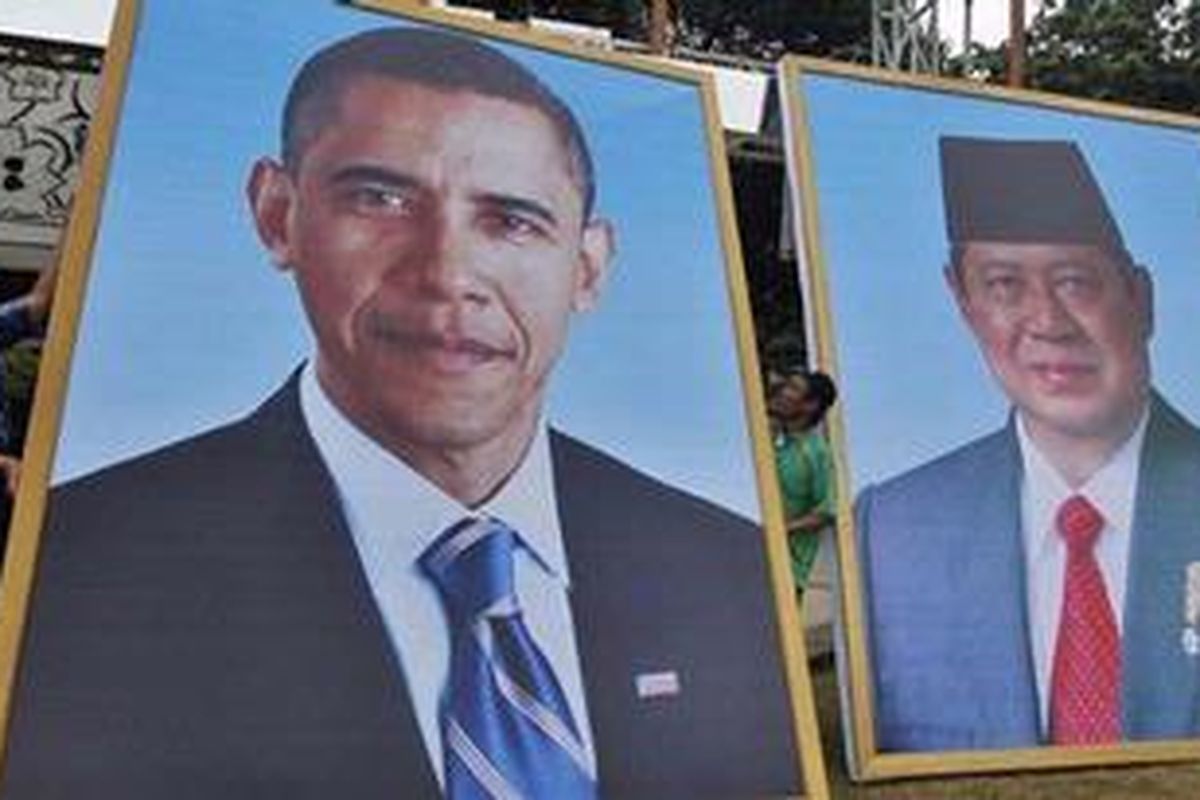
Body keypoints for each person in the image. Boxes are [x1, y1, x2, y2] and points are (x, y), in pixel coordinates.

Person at [1, 27, 800, 799]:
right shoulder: (84, 563)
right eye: (380, 198)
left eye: (512, 220)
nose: (449, 273)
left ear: (587, 268)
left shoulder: (721, 566)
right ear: (277, 214)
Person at [856, 136, 1200, 753]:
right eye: (1004, 285)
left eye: (1075, 282)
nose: (1047, 321)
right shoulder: (894, 530)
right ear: (963, 304)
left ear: (1140, 299)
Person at [768, 369, 837, 596]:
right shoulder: (772, 439)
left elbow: (827, 510)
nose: (782, 391)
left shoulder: (816, 453)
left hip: (790, 569)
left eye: (793, 388)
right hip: (755, 555)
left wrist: (781, 530)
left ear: (810, 406)